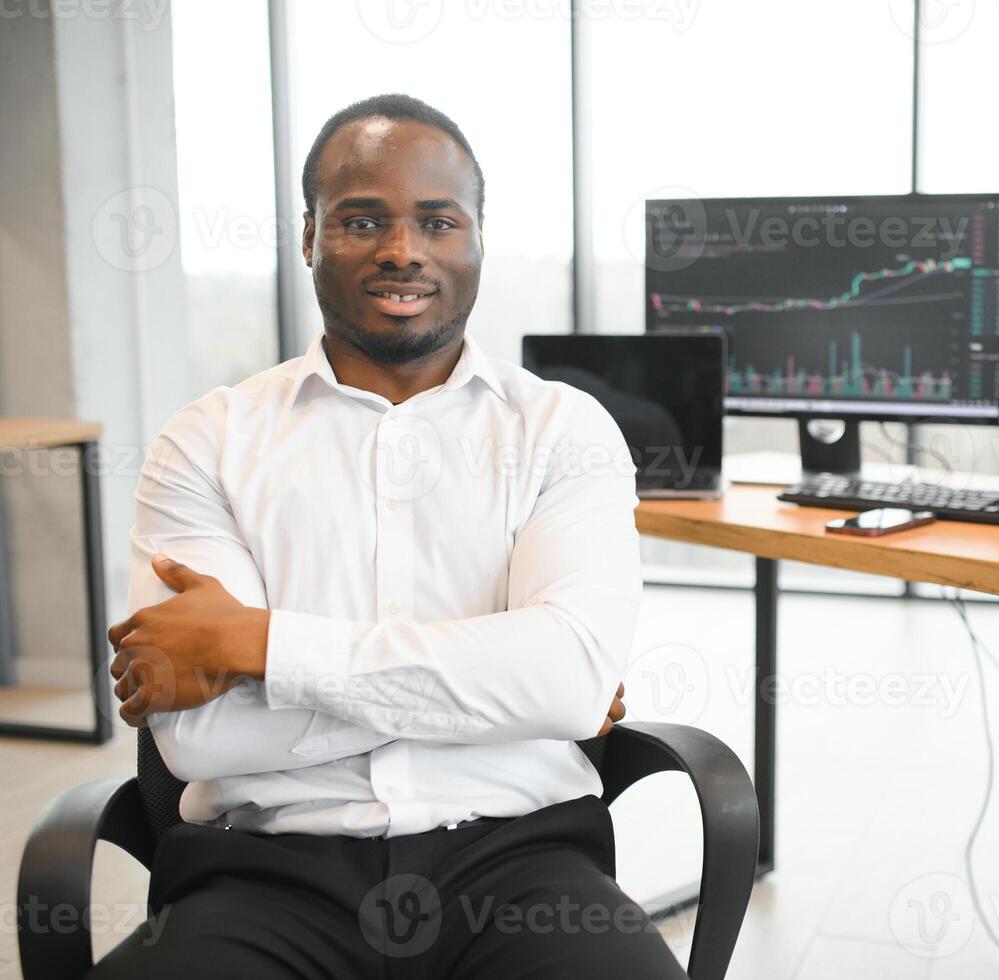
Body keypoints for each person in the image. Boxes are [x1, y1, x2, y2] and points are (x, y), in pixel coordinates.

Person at [92, 93, 686, 979]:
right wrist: (497, 692)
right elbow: (201, 737)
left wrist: (259, 646)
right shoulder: (205, 440)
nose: (402, 250)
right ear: (308, 235)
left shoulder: (564, 430)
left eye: (437, 222)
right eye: (361, 219)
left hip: (521, 865)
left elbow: (565, 681)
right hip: (263, 873)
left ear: (477, 237)